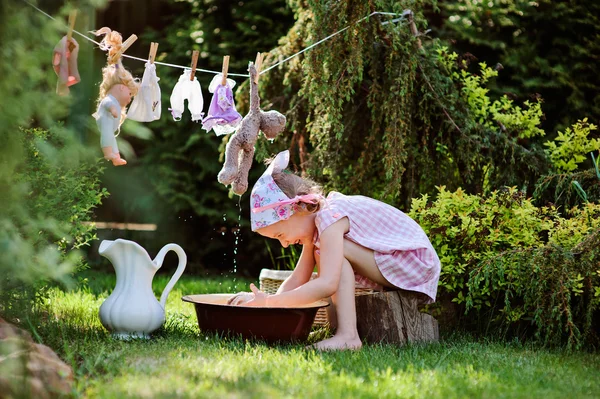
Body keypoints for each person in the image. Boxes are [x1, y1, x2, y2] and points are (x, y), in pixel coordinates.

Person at [230, 150, 441, 350]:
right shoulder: (319, 227)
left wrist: (269, 303)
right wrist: (265, 304)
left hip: (415, 263)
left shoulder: (328, 218)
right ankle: (336, 331)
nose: (284, 244)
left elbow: (327, 284)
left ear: (297, 210)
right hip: (396, 261)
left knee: (328, 255)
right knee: (325, 253)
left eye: (280, 235)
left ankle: (348, 336)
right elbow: (298, 279)